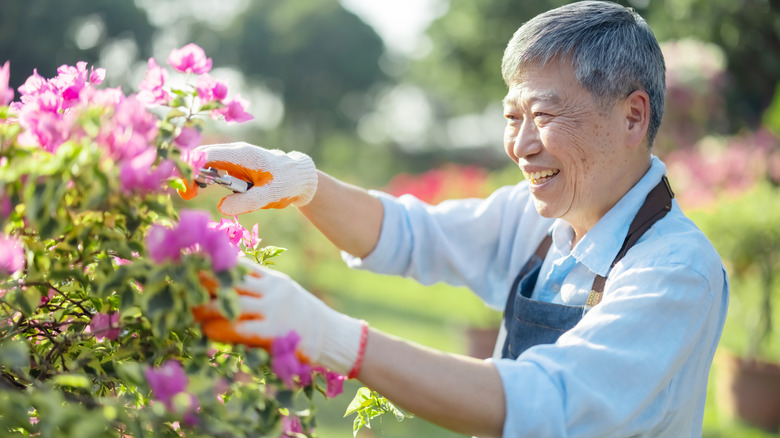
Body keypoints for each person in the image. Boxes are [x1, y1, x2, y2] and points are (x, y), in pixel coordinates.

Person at [183, 1, 729, 437]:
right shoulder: (540, 219)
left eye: (542, 116)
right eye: (512, 117)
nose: (520, 146)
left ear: (632, 117)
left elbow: (546, 404)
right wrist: (302, 182)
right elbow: (409, 235)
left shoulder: (676, 271)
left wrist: (335, 339)